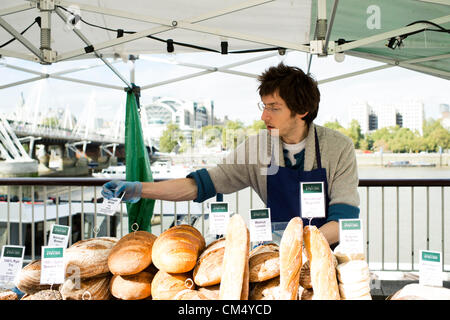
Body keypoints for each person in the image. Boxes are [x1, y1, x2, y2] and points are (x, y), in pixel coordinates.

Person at [102, 63, 360, 247]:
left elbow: (344, 221)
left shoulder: (338, 148)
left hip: (328, 253)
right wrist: (138, 189)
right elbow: (199, 185)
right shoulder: (257, 148)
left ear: (302, 110)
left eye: (274, 108)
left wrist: (299, 246)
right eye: (263, 106)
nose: (263, 116)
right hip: (276, 254)